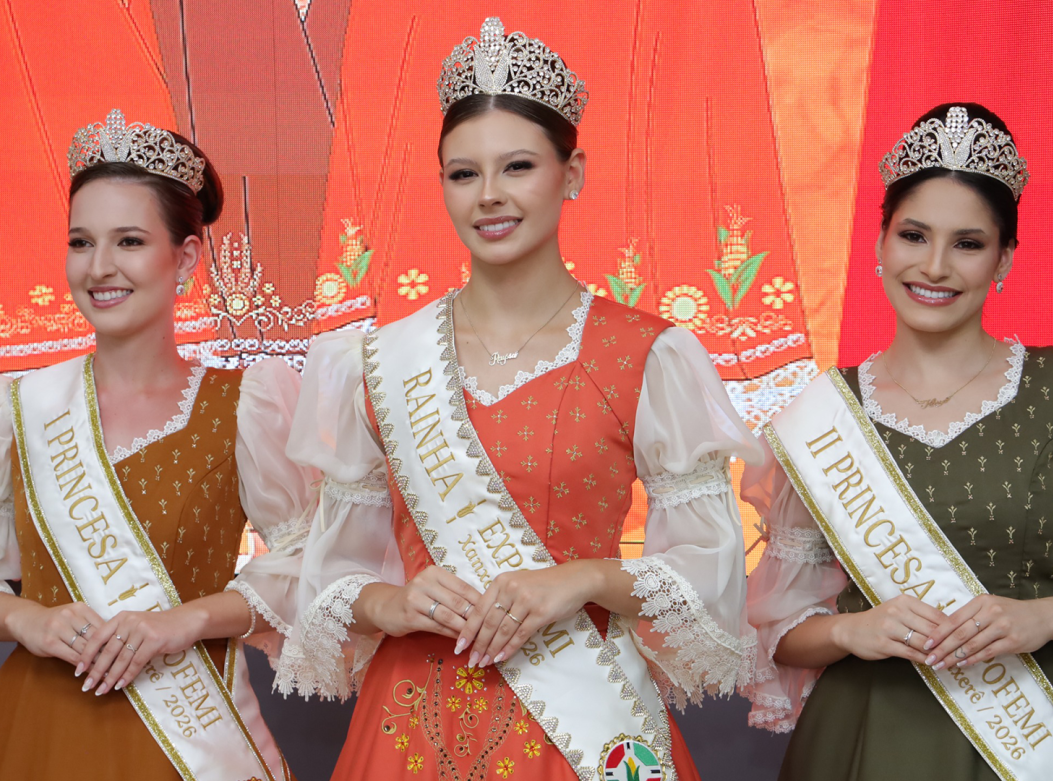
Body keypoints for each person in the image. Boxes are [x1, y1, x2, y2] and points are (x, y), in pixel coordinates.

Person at [274, 17, 760, 780]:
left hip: (582, 727)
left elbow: (710, 571)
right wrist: (389, 602)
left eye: (518, 167)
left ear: (572, 173)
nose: (489, 196)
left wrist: (586, 577)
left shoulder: (646, 355)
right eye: (463, 173)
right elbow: (327, 578)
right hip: (409, 726)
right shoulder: (371, 362)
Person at [740, 103, 1053, 781]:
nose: (934, 266)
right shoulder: (819, 414)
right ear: (879, 244)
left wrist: (1044, 616)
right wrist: (849, 629)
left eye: (967, 242)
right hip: (867, 729)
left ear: (1004, 257)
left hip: (1037, 732)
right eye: (913, 235)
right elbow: (779, 626)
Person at [0, 109, 311, 781]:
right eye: (81, 242)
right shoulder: (16, 407)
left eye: (128, 241)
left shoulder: (247, 404)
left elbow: (305, 567)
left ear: (184, 257)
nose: (99, 267)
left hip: (191, 740)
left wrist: (186, 620)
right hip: (40, 730)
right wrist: (30, 620)